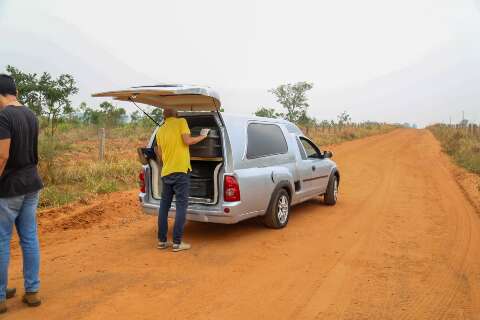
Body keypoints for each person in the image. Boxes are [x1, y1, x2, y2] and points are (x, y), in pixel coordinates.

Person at [0, 74, 43, 314]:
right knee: (29, 238)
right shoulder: (30, 114)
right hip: (31, 183)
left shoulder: (4, 117)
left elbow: (3, 155)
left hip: (9, 188)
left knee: (2, 240)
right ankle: (32, 291)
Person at [155, 108, 209, 252]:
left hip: (166, 172)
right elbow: (188, 141)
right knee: (180, 207)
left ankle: (162, 241)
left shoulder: (160, 131)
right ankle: (177, 243)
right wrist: (203, 136)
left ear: (164, 116)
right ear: (176, 114)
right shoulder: (181, 122)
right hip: (180, 171)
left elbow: (159, 154)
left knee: (164, 207)